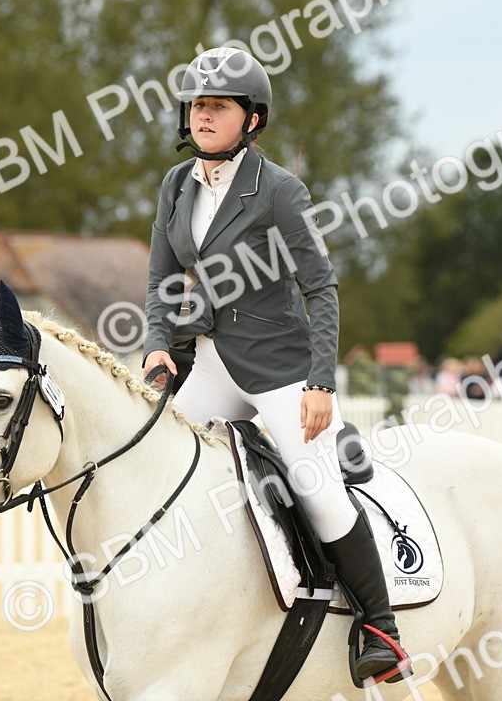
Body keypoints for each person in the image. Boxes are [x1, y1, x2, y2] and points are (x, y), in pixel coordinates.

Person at [141, 47, 408, 683]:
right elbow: (159, 279)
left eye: (218, 106)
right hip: (206, 363)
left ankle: (380, 627)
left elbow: (321, 287)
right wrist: (157, 342)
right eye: (197, 105)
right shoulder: (175, 186)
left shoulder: (280, 191)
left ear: (251, 120)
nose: (203, 116)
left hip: (281, 370)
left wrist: (321, 383)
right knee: (151, 452)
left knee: (316, 489)